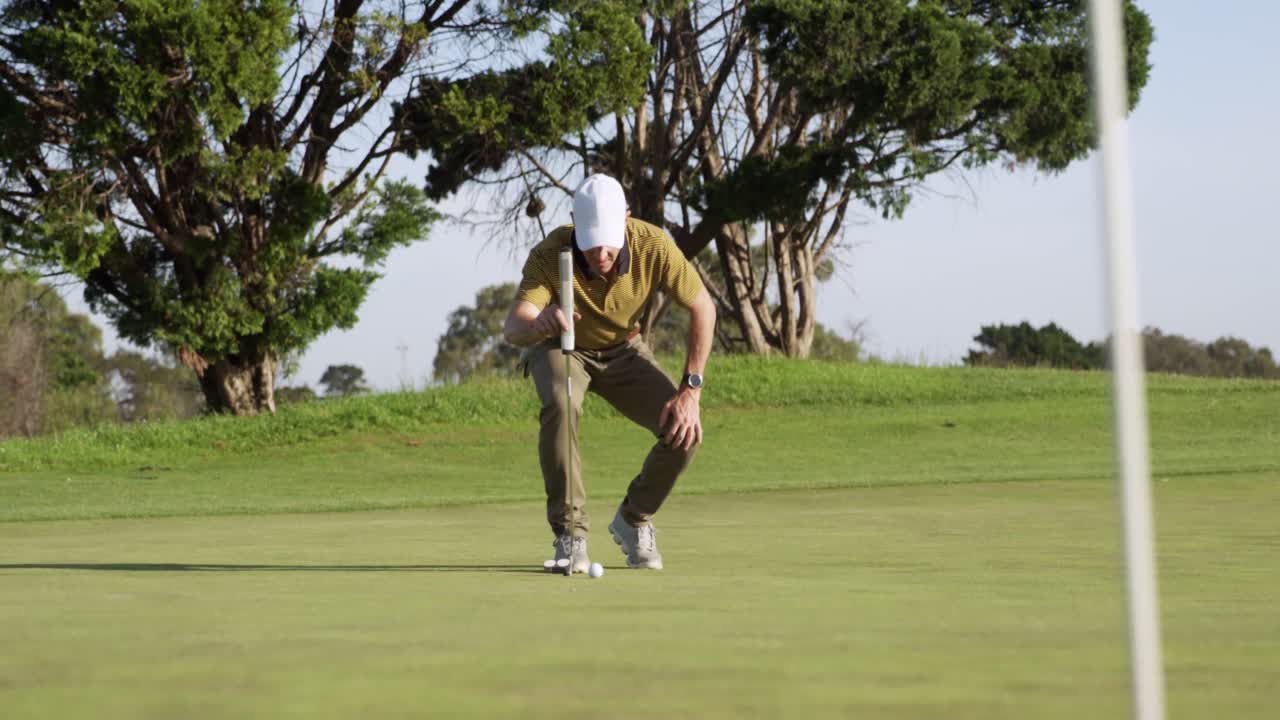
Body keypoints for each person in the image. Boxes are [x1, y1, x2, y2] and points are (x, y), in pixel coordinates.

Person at [503, 173, 716, 572]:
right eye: (591, 239)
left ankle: (634, 519)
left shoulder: (653, 244)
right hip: (561, 346)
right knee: (561, 405)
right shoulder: (550, 253)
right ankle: (571, 535)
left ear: (627, 220)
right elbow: (513, 327)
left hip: (624, 348)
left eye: (608, 239)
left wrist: (691, 390)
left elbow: (703, 306)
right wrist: (540, 323)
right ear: (573, 222)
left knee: (684, 431)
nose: (600, 251)